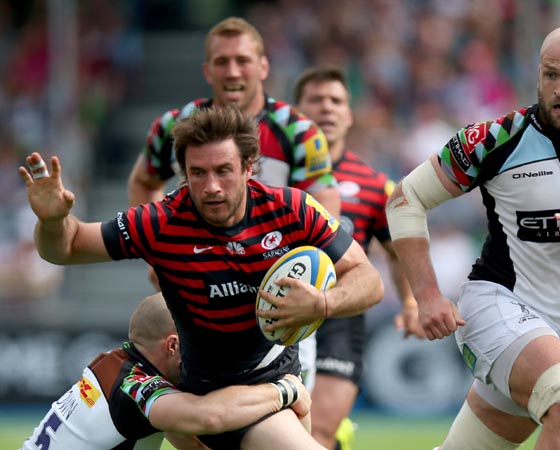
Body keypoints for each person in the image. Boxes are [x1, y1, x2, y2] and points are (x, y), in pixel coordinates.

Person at [19, 105, 383, 450]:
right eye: (198, 173)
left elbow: (368, 279)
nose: (211, 187)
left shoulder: (292, 209)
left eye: (223, 170)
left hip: (276, 378)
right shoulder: (160, 222)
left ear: (249, 167)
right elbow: (66, 247)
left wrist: (323, 303)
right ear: (184, 173)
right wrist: (53, 221)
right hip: (215, 398)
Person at [385, 25, 560, 450]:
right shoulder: (495, 139)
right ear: (537, 74)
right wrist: (427, 294)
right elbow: (404, 199)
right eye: (551, 74)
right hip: (495, 305)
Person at [127, 16, 341, 391]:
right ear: (207, 71)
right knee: (189, 404)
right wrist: (157, 257)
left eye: (242, 60)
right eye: (222, 61)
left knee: (289, 406)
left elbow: (325, 205)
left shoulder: (297, 130)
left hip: (278, 297)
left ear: (263, 67)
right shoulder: (175, 125)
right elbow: (144, 182)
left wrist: (309, 278)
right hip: (198, 294)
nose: (233, 71)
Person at [293, 65, 425, 450]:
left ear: (349, 115)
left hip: (340, 318)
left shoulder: (374, 184)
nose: (326, 108)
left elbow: (397, 250)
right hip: (280, 315)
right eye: (316, 100)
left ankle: (333, 438)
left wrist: (411, 302)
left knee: (317, 434)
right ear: (295, 113)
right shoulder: (273, 176)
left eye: (336, 101)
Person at [21, 292, 312, 450]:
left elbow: (191, 443)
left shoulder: (119, 365)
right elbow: (208, 416)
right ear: (173, 345)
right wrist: (286, 390)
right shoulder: (135, 386)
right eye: (195, 338)